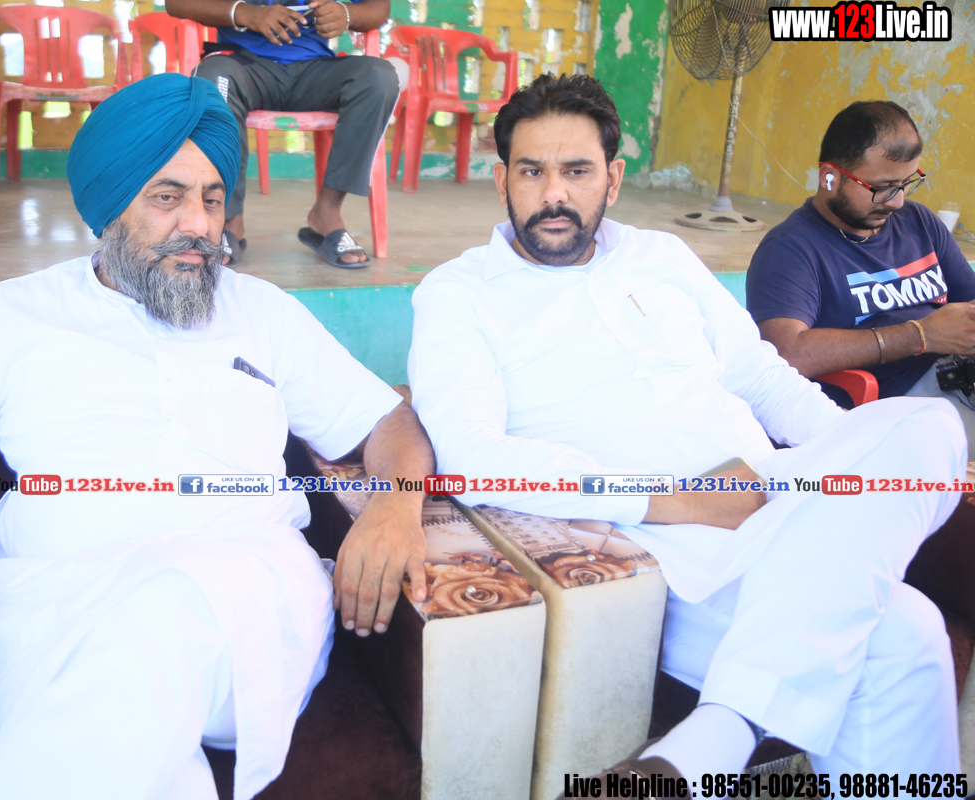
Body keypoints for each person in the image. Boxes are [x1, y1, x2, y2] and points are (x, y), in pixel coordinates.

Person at [0, 73, 433, 799]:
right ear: (108, 206)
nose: (200, 224)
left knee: (157, 620)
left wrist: (395, 506)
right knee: (128, 715)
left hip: (248, 592)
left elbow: (387, 422)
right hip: (47, 599)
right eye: (167, 197)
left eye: (213, 198)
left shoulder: (262, 313)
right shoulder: (12, 318)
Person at [408, 73, 965, 782]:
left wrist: (857, 466)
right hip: (661, 542)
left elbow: (762, 378)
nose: (553, 194)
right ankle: (724, 733)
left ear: (612, 179)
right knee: (905, 634)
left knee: (928, 428)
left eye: (576, 171)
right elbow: (473, 457)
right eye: (531, 171)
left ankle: (720, 732)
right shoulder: (458, 295)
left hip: (773, 492)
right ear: (501, 181)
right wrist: (678, 499)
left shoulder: (662, 256)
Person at [746, 100, 975, 441]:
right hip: (898, 404)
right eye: (882, 188)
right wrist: (919, 335)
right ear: (829, 177)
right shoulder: (791, 248)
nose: (896, 201)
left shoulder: (919, 222)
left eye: (907, 183)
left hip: (959, 375)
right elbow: (784, 353)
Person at [166, 0, 398, 269]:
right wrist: (246, 13)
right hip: (243, 66)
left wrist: (347, 13)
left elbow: (378, 8)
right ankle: (229, 219)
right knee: (212, 81)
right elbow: (176, 3)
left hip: (316, 70)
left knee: (378, 78)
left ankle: (327, 211)